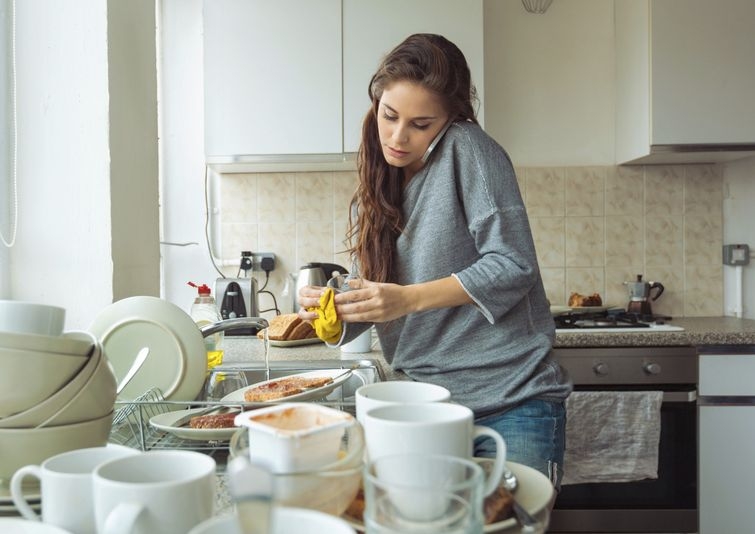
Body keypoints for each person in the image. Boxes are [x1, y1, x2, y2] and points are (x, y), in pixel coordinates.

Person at [298, 33, 572, 489]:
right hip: (425, 407)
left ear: (450, 119)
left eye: (421, 124)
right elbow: (391, 296)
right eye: (389, 116)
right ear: (377, 102)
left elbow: (512, 264)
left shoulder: (469, 149)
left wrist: (406, 300)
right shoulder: (376, 184)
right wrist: (335, 308)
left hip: (512, 402)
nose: (398, 136)